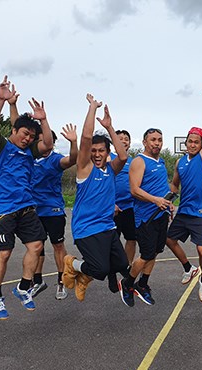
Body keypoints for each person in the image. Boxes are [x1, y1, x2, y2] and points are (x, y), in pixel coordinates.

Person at [0, 75, 53, 319]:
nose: (28, 139)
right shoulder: (0, 147)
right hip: (2, 209)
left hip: (26, 207)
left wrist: (43, 121)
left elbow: (48, 145)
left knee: (36, 245)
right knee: (4, 253)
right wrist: (1, 100)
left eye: (31, 137)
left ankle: (24, 287)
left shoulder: (29, 152)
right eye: (25, 134)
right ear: (13, 130)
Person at [9, 93, 78, 300]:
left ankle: (61, 281)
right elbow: (16, 128)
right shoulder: (29, 157)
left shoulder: (56, 160)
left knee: (58, 246)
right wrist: (12, 104)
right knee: (35, 247)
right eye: (36, 139)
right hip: (32, 209)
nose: (38, 142)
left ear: (51, 142)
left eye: (42, 139)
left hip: (53, 209)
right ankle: (37, 280)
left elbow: (73, 159)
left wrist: (73, 143)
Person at [61, 95, 129, 302]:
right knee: (100, 269)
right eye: (93, 151)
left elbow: (124, 156)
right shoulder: (85, 169)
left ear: (108, 153)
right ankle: (72, 264)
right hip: (87, 228)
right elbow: (87, 136)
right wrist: (92, 108)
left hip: (107, 226)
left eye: (101, 151)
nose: (97, 154)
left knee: (120, 265)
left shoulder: (110, 169)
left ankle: (83, 278)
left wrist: (109, 127)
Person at [166, 83, 202, 303]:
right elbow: (174, 185)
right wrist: (166, 200)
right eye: (189, 141)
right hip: (184, 211)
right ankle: (189, 269)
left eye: (195, 142)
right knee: (169, 240)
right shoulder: (180, 162)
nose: (191, 144)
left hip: (201, 212)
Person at [119, 128, 173, 307]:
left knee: (156, 252)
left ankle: (142, 284)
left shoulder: (161, 162)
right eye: (153, 140)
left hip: (161, 215)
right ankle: (127, 283)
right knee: (146, 254)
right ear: (144, 142)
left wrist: (168, 202)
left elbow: (161, 188)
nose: (157, 143)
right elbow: (134, 190)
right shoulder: (139, 162)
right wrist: (155, 200)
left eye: (159, 139)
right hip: (146, 217)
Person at [111, 130, 137, 268]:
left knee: (132, 239)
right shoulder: (107, 158)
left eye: (126, 139)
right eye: (119, 138)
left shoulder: (133, 161)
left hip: (130, 206)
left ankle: (127, 266)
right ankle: (113, 268)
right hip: (112, 207)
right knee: (111, 240)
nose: (123, 141)